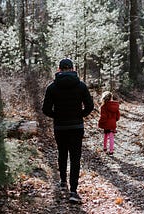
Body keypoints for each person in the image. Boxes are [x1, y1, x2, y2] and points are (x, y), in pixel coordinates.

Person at [42, 58, 94, 203]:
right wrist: (80, 115)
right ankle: (73, 191)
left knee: (62, 153)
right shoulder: (81, 85)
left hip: (60, 127)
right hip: (76, 127)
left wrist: (57, 116)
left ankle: (63, 183)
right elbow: (90, 106)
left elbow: (45, 109)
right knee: (75, 158)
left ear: (59, 69)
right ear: (72, 69)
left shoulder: (52, 87)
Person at [98, 91, 120, 155]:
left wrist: (100, 123)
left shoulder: (103, 106)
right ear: (111, 97)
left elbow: (103, 117)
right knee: (111, 137)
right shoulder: (115, 105)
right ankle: (111, 151)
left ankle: (105, 148)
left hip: (106, 124)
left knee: (105, 136)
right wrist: (115, 120)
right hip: (113, 123)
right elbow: (118, 115)